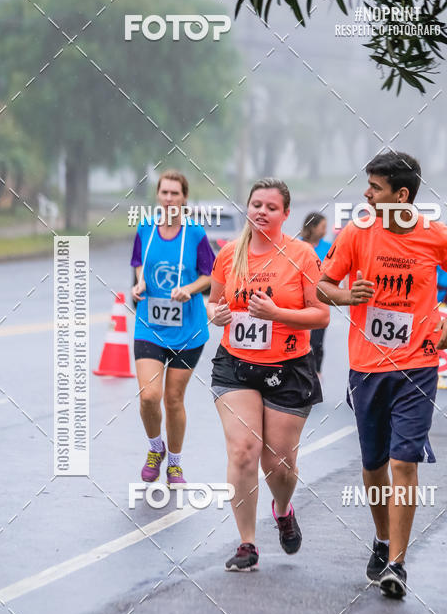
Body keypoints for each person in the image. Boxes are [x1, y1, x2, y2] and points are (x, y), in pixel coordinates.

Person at [317, 152, 447, 599]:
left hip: (418, 365)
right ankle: (382, 540)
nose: (366, 193)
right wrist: (346, 295)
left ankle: (398, 564)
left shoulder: (434, 235)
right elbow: (322, 286)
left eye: (375, 187)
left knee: (404, 461)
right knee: (374, 464)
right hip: (367, 367)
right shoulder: (356, 233)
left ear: (401, 195)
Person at [208, 178, 329, 572]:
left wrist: (277, 315)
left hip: (289, 368)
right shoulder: (229, 254)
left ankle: (282, 509)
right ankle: (247, 543)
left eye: (271, 207)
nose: (261, 211)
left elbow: (321, 313)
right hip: (236, 366)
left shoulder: (302, 255)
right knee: (244, 452)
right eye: (256, 204)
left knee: (279, 466)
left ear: (286, 214)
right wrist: (218, 315)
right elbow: (213, 304)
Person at [131, 171, 215, 487]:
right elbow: (139, 264)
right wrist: (139, 283)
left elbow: (210, 275)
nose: (169, 198)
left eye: (175, 193)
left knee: (173, 398)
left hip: (188, 329)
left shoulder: (195, 234)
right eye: (164, 192)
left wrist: (190, 289)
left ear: (184, 198)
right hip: (149, 324)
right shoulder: (145, 229)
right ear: (158, 196)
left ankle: (175, 465)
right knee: (149, 396)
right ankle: (156, 449)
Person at [301, 212, 332, 375]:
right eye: (322, 227)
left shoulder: (328, 247)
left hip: (320, 301)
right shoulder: (297, 246)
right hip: (298, 303)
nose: (325, 230)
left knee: (317, 342)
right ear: (312, 227)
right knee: (301, 340)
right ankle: (301, 374)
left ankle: (317, 374)